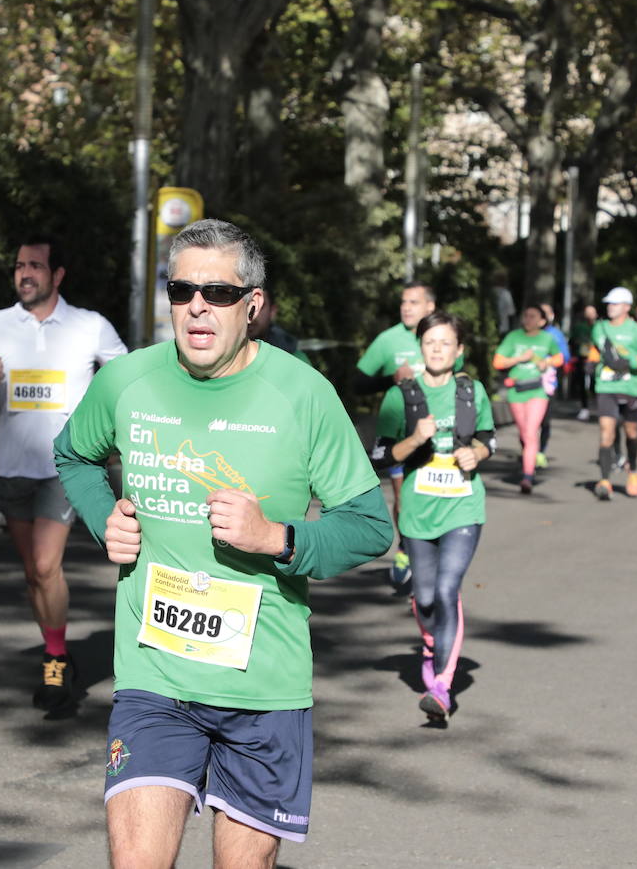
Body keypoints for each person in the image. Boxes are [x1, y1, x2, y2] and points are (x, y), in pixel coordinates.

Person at [53, 218, 392, 867]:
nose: (198, 307)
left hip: (261, 691)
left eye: (219, 293)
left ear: (253, 306)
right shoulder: (128, 381)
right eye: (182, 291)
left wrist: (278, 537)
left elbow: (369, 523)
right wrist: (105, 519)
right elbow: (73, 455)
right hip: (154, 680)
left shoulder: (303, 397)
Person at [0, 236, 126, 713]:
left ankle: (54, 661)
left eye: (35, 265)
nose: (25, 273)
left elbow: (127, 379)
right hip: (13, 467)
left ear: (58, 275)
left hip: (65, 467)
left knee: (47, 565)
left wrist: (105, 431)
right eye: (19, 266)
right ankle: (56, 647)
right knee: (33, 572)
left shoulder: (88, 326)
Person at [377, 310, 495, 721]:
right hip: (418, 514)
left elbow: (488, 439)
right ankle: (431, 643)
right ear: (421, 347)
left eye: (446, 343)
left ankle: (442, 687)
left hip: (463, 507)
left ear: (459, 350)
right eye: (430, 343)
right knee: (424, 597)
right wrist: (416, 438)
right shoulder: (401, 396)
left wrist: (474, 453)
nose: (438, 349)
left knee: (447, 592)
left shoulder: (471, 391)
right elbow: (381, 455)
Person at [355, 280, 437, 588]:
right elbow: (358, 383)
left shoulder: (440, 335)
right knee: (404, 496)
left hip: (437, 434)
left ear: (430, 306)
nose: (406, 307)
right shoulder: (388, 340)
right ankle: (407, 548)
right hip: (400, 435)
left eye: (414, 302)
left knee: (432, 494)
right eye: (403, 302)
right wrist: (392, 378)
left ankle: (430, 548)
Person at [587, 286, 637, 500]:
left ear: (627, 307)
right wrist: (591, 362)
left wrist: (630, 362)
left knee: (631, 432)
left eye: (615, 303)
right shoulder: (599, 328)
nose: (610, 307)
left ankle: (634, 470)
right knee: (606, 431)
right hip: (606, 386)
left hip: (632, 388)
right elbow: (597, 348)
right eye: (609, 303)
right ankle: (604, 480)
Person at [494, 306, 562, 493]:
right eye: (525, 315)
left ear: (541, 321)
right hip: (517, 390)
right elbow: (498, 362)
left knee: (531, 431)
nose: (528, 319)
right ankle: (529, 458)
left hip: (537, 390)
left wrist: (546, 362)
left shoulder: (547, 338)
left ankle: (527, 476)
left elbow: (559, 357)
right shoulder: (513, 337)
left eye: (533, 316)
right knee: (524, 432)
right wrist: (519, 358)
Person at [537, 303, 570, 468]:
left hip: (547, 384)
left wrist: (547, 360)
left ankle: (540, 452)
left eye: (548, 313)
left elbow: (565, 357)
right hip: (525, 383)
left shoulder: (555, 334)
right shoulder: (525, 335)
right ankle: (528, 450)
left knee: (544, 421)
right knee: (528, 423)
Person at [246, 286, 308, 362]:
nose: (250, 312)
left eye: (259, 306)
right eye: (245, 305)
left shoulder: (296, 360)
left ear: (272, 311)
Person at [571, 304, 598, 421]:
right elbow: (572, 341)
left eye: (591, 313)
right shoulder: (579, 327)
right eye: (587, 313)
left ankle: (600, 407)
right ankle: (584, 408)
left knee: (595, 384)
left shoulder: (600, 327)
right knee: (582, 383)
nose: (589, 315)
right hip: (582, 359)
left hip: (597, 360)